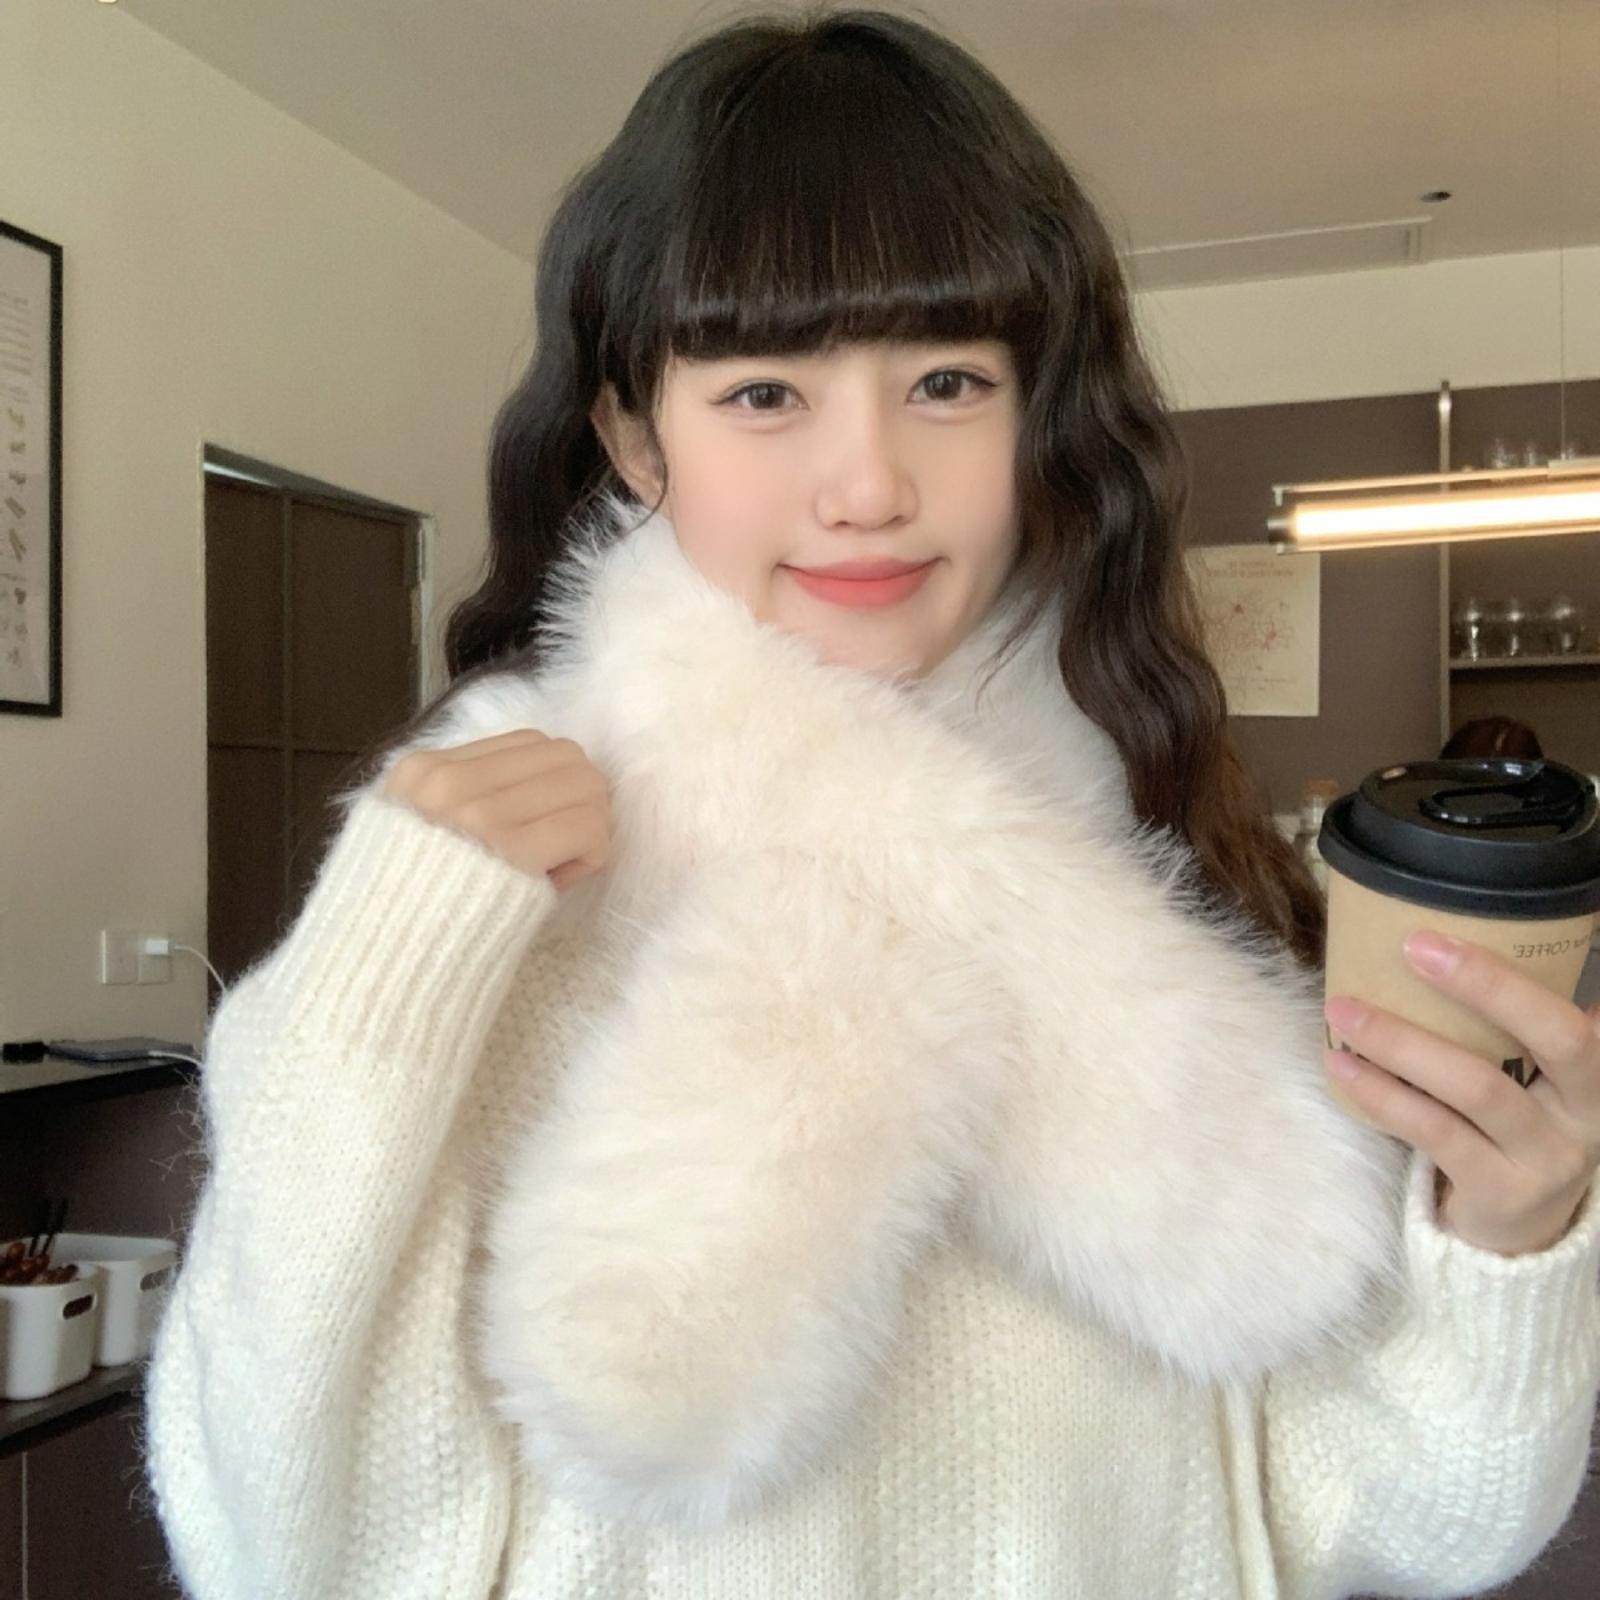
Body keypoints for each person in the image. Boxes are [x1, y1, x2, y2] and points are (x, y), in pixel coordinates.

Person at [139, 9, 1600, 1598]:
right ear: (635, 437)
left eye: (949, 380)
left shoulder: (1155, 836)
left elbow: (1393, 1528)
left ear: (1040, 415)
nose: (870, 485)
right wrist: (359, 994)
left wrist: (1511, 1240)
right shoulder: (483, 892)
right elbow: (283, 1552)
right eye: (766, 393)